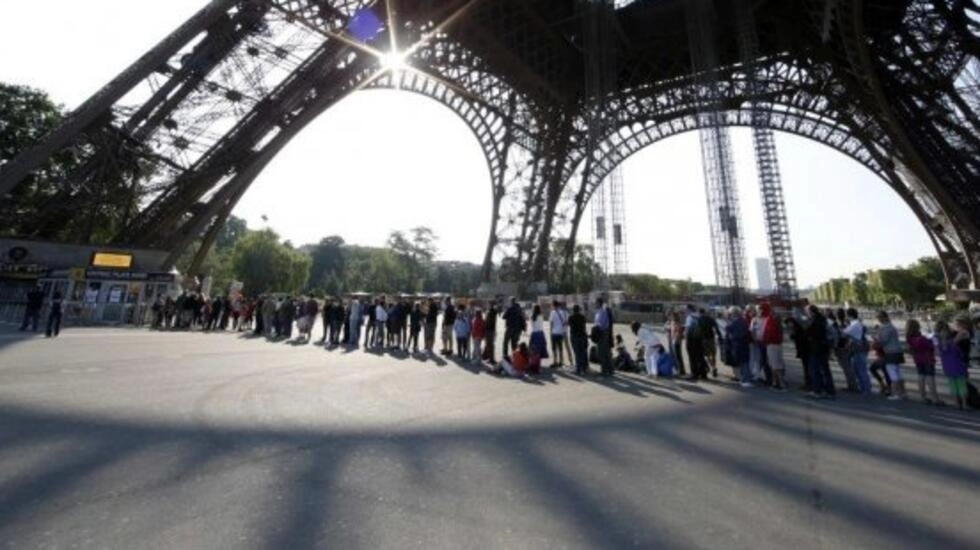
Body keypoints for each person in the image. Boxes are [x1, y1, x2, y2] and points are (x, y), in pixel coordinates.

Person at [936, 320, 969, 409]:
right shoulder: (953, 343)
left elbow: (939, 354)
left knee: (953, 386)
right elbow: (960, 354)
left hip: (948, 368)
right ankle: (964, 404)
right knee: (962, 386)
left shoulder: (940, 345)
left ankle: (956, 403)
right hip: (958, 366)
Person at [907, 319, 941, 405]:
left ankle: (923, 396)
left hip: (917, 358)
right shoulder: (921, 338)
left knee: (921, 376)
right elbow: (931, 345)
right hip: (927, 358)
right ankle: (935, 398)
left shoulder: (909, 337)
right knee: (930, 377)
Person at [874, 311, 906, 400]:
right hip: (897, 351)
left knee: (892, 373)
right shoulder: (892, 327)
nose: (879, 319)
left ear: (885, 317)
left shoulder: (885, 328)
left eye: (880, 317)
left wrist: (876, 338)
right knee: (898, 372)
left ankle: (896, 393)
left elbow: (883, 341)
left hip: (890, 352)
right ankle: (902, 392)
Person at [805, 305, 836, 399]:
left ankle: (817, 390)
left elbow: (817, 334)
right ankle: (828, 390)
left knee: (815, 370)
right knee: (824, 370)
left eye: (807, 312)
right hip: (822, 347)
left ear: (811, 312)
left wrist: (809, 333)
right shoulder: (822, 319)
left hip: (817, 348)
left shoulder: (817, 321)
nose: (807, 314)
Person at [843, 308, 873, 394]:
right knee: (859, 369)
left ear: (850, 316)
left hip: (857, 349)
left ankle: (866, 389)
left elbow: (844, 333)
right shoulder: (858, 323)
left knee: (861, 369)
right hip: (859, 348)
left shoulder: (854, 325)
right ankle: (865, 388)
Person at [760, 303, 787, 391]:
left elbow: (768, 333)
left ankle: (781, 384)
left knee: (774, 365)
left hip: (771, 344)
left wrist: (764, 340)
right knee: (776, 363)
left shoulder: (771, 320)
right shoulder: (777, 321)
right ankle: (775, 382)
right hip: (777, 344)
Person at [724, 306, 753, 387]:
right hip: (741, 344)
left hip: (739, 344)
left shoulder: (737, 322)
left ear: (733, 314)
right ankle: (745, 379)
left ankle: (745, 380)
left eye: (730, 314)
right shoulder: (741, 321)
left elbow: (733, 333)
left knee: (744, 362)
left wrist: (732, 336)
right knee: (744, 362)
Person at [684, 305, 708, 381]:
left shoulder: (689, 317)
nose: (685, 311)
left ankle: (694, 374)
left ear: (689, 309)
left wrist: (685, 336)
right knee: (700, 356)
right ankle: (703, 374)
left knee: (692, 357)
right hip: (700, 338)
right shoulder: (698, 316)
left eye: (685, 309)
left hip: (691, 339)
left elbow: (688, 329)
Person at [697, 309, 723, 378]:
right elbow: (716, 328)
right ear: (705, 312)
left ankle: (712, 367)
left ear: (699, 313)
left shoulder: (698, 320)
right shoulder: (710, 319)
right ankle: (714, 366)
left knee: (706, 355)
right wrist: (719, 336)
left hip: (703, 339)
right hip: (711, 338)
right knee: (713, 354)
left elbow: (697, 330)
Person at [595, 298, 613, 376]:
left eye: (596, 303)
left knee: (603, 352)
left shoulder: (603, 311)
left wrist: (597, 328)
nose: (595, 304)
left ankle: (605, 369)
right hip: (601, 332)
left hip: (603, 332)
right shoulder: (599, 311)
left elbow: (602, 324)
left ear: (599, 303)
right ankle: (608, 369)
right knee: (604, 351)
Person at [569, 304, 589, 375]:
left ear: (573, 310)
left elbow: (570, 326)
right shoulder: (583, 317)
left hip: (575, 336)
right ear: (579, 310)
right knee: (583, 352)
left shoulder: (571, 317)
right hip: (582, 336)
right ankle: (584, 368)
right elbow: (584, 327)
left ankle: (578, 369)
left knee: (577, 353)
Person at [549, 300, 567, 367]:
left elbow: (551, 323)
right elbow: (565, 322)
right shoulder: (562, 312)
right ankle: (561, 361)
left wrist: (550, 332)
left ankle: (555, 361)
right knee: (560, 347)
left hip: (554, 332)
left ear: (554, 305)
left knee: (554, 348)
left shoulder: (552, 313)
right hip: (560, 332)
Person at [668, 311, 686, 376]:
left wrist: (676, 339)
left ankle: (681, 370)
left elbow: (678, 332)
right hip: (674, 340)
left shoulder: (677, 323)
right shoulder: (673, 322)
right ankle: (679, 370)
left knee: (678, 356)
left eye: (672, 316)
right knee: (676, 356)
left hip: (676, 341)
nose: (671, 317)